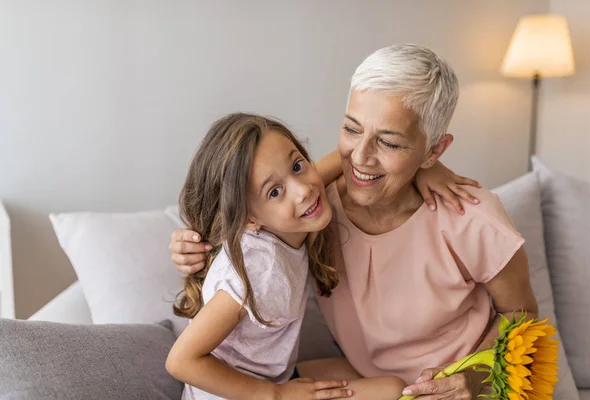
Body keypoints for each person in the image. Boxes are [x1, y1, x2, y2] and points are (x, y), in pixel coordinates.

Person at [169, 44, 538, 400]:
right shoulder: (315, 209)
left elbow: (522, 315)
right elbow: (253, 205)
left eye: (389, 143)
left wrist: (472, 378)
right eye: (352, 129)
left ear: (434, 150)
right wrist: (196, 244)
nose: (360, 159)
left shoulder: (471, 219)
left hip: (453, 387)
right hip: (367, 379)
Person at [166, 113, 413, 400]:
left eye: (297, 165)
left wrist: (425, 167)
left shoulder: (289, 212)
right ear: (249, 220)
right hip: (246, 393)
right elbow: (181, 361)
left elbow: (348, 160)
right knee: (393, 389)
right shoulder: (260, 269)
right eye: (275, 192)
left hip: (273, 378)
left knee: (366, 369)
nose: (304, 189)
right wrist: (277, 394)